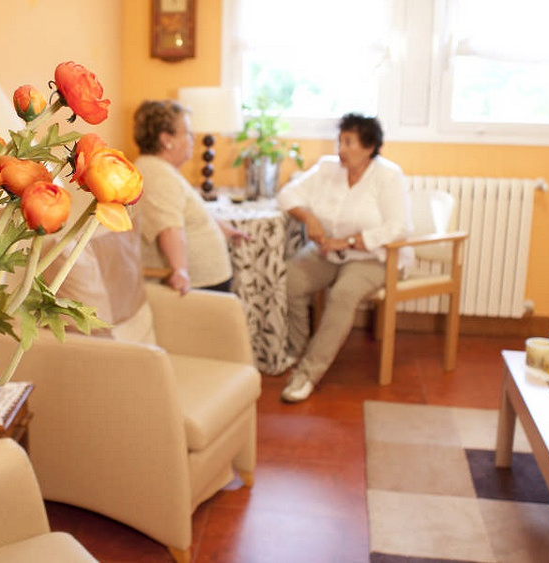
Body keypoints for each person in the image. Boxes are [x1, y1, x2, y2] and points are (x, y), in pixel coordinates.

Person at [277, 113, 412, 402]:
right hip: (329, 252)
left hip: (374, 257)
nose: (341, 149)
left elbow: (399, 228)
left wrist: (349, 241)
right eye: (340, 141)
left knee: (342, 294)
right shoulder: (328, 168)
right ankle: (298, 349)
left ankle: (308, 374)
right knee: (289, 280)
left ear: (369, 147)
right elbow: (287, 195)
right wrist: (309, 218)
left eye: (349, 142)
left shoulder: (388, 176)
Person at [133, 99, 248, 294]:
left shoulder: (162, 170)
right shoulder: (158, 174)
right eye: (187, 132)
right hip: (198, 285)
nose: (193, 137)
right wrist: (180, 270)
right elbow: (168, 228)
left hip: (206, 280)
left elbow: (185, 213)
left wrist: (222, 229)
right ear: (166, 140)